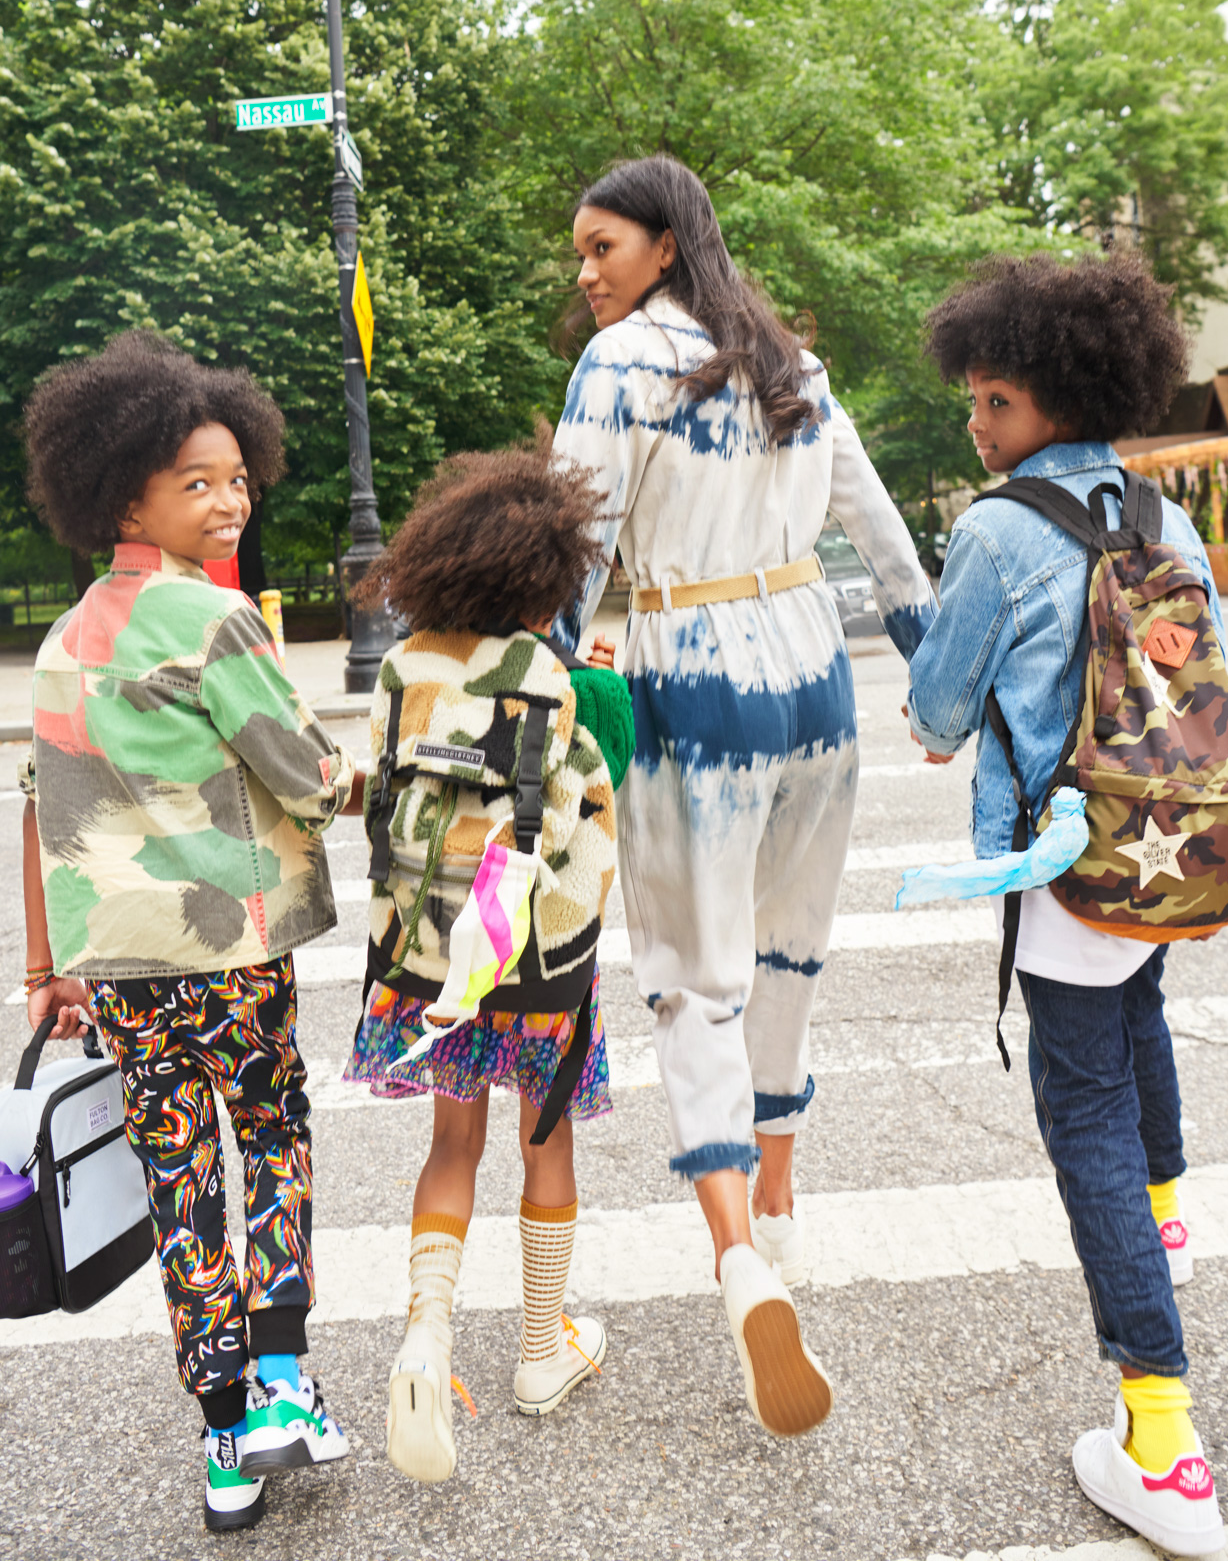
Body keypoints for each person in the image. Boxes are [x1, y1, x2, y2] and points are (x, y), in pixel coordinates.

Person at [552, 154, 937, 1437]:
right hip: (815, 684)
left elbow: (572, 549)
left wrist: (535, 674)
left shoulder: (616, 369)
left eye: (601, 246)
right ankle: (780, 1208)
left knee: (686, 974)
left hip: (693, 682)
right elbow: (876, 524)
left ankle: (733, 1257)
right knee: (786, 962)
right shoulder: (789, 364)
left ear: (665, 244)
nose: (586, 272)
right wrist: (929, 662)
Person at [906, 252, 1225, 1558]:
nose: (977, 427)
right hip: (1171, 848)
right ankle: (1169, 1216)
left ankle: (1162, 1440)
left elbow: (934, 711)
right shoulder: (1166, 512)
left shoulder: (994, 529)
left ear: (1051, 395)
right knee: (1137, 1015)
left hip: (1061, 859)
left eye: (992, 402)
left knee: (1079, 1094)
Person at [20, 331, 361, 1534]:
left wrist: (44, 969)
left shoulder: (65, 643)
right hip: (226, 951)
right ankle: (279, 1378)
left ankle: (222, 1443)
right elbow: (305, 771)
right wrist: (353, 776)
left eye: (235, 477)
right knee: (268, 1131)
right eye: (198, 482)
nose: (229, 500)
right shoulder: (211, 623)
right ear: (131, 494)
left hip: (117, 968)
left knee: (177, 1176)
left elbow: (37, 813)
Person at [342, 429, 634, 1483]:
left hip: (425, 955)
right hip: (533, 958)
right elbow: (600, 802)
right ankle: (540, 1349)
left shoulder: (406, 662)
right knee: (542, 1140)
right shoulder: (547, 672)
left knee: (450, 1144)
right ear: (543, 577)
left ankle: (425, 1335)